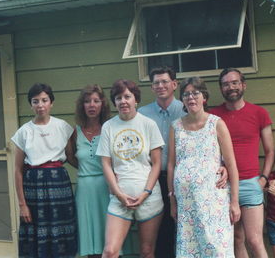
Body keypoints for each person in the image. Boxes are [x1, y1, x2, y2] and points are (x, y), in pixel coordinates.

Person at [138, 66, 228, 257]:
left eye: (164, 81)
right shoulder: (143, 114)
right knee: (163, 236)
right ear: (152, 87)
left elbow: (211, 145)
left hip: (192, 188)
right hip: (153, 181)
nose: (160, 86)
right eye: (156, 82)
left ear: (174, 84)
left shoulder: (187, 105)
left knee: (197, 235)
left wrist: (223, 165)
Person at [167, 77, 240, 257]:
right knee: (190, 250)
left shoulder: (216, 124)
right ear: (182, 99)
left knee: (216, 247)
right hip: (186, 203)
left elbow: (231, 165)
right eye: (186, 94)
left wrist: (234, 202)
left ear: (204, 97)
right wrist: (172, 201)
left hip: (213, 201)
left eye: (195, 93)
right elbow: (171, 165)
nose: (191, 98)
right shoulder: (175, 127)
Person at [210, 67, 275, 258]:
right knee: (236, 238)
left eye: (234, 82)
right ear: (221, 89)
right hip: (224, 186)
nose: (230, 87)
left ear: (243, 85)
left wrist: (263, 178)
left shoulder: (259, 113)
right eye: (225, 84)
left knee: (255, 240)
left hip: (250, 184)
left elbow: (270, 151)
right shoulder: (213, 116)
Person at [96, 79, 164, 258]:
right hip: (119, 199)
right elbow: (106, 163)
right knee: (110, 251)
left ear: (136, 99)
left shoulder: (148, 124)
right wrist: (118, 194)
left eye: (127, 96)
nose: (123, 101)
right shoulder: (108, 127)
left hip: (149, 197)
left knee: (147, 251)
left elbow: (157, 163)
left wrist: (146, 192)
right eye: (118, 98)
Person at [12, 83, 77, 258]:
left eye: (44, 100)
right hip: (34, 188)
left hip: (59, 185)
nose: (40, 105)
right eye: (35, 101)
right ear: (30, 105)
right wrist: (22, 204)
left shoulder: (63, 126)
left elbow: (71, 158)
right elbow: (18, 170)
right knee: (36, 233)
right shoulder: (24, 132)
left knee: (60, 233)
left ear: (51, 103)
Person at [65, 84, 111, 257]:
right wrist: (86, 169)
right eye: (87, 101)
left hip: (107, 188)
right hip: (85, 190)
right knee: (90, 242)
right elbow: (70, 157)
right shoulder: (75, 132)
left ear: (102, 104)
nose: (91, 105)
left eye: (96, 101)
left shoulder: (110, 128)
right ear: (82, 106)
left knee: (110, 240)